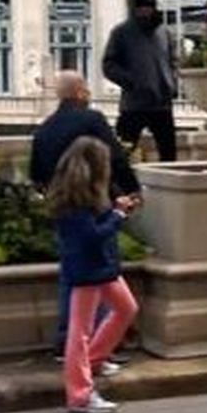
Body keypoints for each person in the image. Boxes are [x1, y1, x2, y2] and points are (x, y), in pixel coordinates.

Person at [31, 69, 140, 358]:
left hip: (62, 208)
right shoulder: (92, 120)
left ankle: (65, 342)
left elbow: (36, 174)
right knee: (101, 272)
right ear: (80, 91)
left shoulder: (45, 128)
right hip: (95, 203)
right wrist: (130, 190)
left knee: (71, 274)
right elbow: (114, 156)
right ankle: (99, 345)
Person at [47, 136, 139, 413]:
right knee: (80, 331)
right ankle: (80, 394)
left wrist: (114, 212)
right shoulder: (75, 202)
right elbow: (92, 236)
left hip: (100, 266)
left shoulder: (81, 196)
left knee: (126, 309)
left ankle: (93, 361)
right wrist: (118, 215)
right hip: (89, 269)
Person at [102, 0, 179, 162]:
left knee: (169, 155)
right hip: (133, 104)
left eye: (149, 5)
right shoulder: (121, 33)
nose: (145, 10)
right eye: (141, 5)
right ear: (133, 7)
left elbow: (173, 60)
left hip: (162, 103)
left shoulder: (164, 32)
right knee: (123, 152)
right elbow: (108, 64)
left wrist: (171, 82)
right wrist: (131, 82)